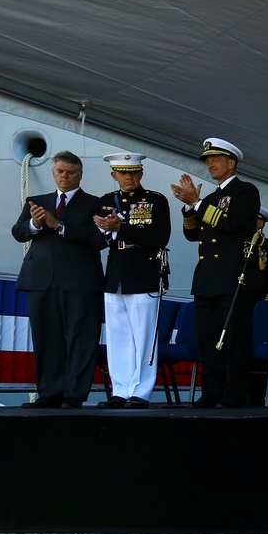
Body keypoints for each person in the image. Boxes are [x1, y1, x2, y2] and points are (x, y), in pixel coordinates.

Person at [12, 150, 107, 408]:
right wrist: (35, 224)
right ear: (53, 173)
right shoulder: (37, 200)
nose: (65, 176)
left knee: (80, 338)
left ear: (80, 175)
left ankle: (73, 395)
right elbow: (18, 232)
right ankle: (49, 393)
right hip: (40, 279)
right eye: (60, 171)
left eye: (71, 172)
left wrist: (59, 226)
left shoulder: (95, 203)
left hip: (80, 281)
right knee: (46, 338)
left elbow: (98, 240)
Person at [170, 137, 261, 409]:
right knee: (208, 339)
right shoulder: (209, 198)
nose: (210, 163)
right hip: (207, 278)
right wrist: (189, 206)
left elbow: (232, 225)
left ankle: (236, 393)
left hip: (234, 277)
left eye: (215, 159)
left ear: (231, 163)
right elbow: (191, 233)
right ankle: (211, 391)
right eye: (208, 160)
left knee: (235, 338)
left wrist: (197, 203)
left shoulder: (246, 191)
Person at [93, 152, 171, 409]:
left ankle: (141, 391)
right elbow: (96, 238)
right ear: (114, 175)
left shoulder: (155, 201)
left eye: (134, 172)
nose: (129, 177)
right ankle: (120, 390)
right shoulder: (105, 201)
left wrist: (121, 229)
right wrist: (105, 231)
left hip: (144, 273)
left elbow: (160, 237)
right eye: (123, 173)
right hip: (116, 273)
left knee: (144, 336)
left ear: (141, 173)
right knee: (118, 337)